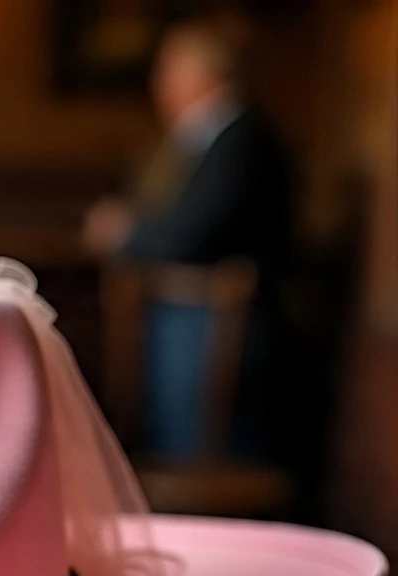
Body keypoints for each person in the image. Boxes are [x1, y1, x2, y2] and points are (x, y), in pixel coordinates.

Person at [83, 18, 293, 458]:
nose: (159, 85)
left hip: (226, 332)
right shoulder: (206, 141)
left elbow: (191, 236)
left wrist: (126, 233)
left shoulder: (242, 141)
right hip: (201, 322)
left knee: (199, 447)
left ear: (204, 75)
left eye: (169, 71)